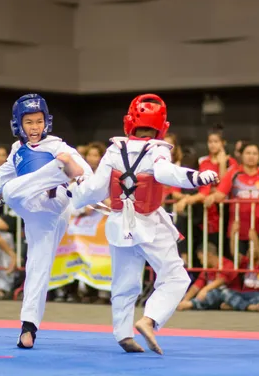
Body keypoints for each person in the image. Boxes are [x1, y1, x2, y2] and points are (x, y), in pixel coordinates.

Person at [68, 94, 219, 355]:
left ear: (129, 122)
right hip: (148, 223)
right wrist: (196, 177)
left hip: (118, 224)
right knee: (175, 276)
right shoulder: (158, 149)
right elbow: (164, 173)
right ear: (162, 125)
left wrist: (74, 192)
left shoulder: (115, 149)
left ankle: (123, 334)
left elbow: (94, 189)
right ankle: (149, 319)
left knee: (124, 284)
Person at [0, 93, 92, 349]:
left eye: (39, 121)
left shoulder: (59, 147)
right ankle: (28, 328)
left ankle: (56, 174)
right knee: (37, 268)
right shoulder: (17, 151)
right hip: (36, 216)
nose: (35, 127)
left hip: (56, 204)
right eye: (29, 122)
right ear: (18, 124)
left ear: (46, 121)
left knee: (16, 188)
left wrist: (81, 187)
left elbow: (85, 173)